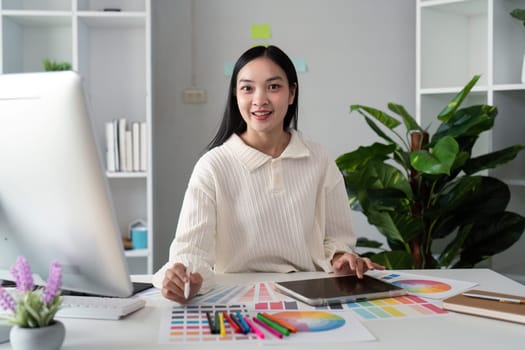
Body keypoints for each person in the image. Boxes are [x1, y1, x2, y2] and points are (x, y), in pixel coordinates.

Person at [153, 45, 383, 303]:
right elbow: (189, 251)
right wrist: (184, 279)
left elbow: (337, 240)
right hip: (235, 299)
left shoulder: (319, 160)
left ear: (292, 93)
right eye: (247, 88)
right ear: (235, 95)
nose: (259, 100)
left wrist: (341, 259)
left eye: (273, 87)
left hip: (310, 297)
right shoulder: (213, 166)